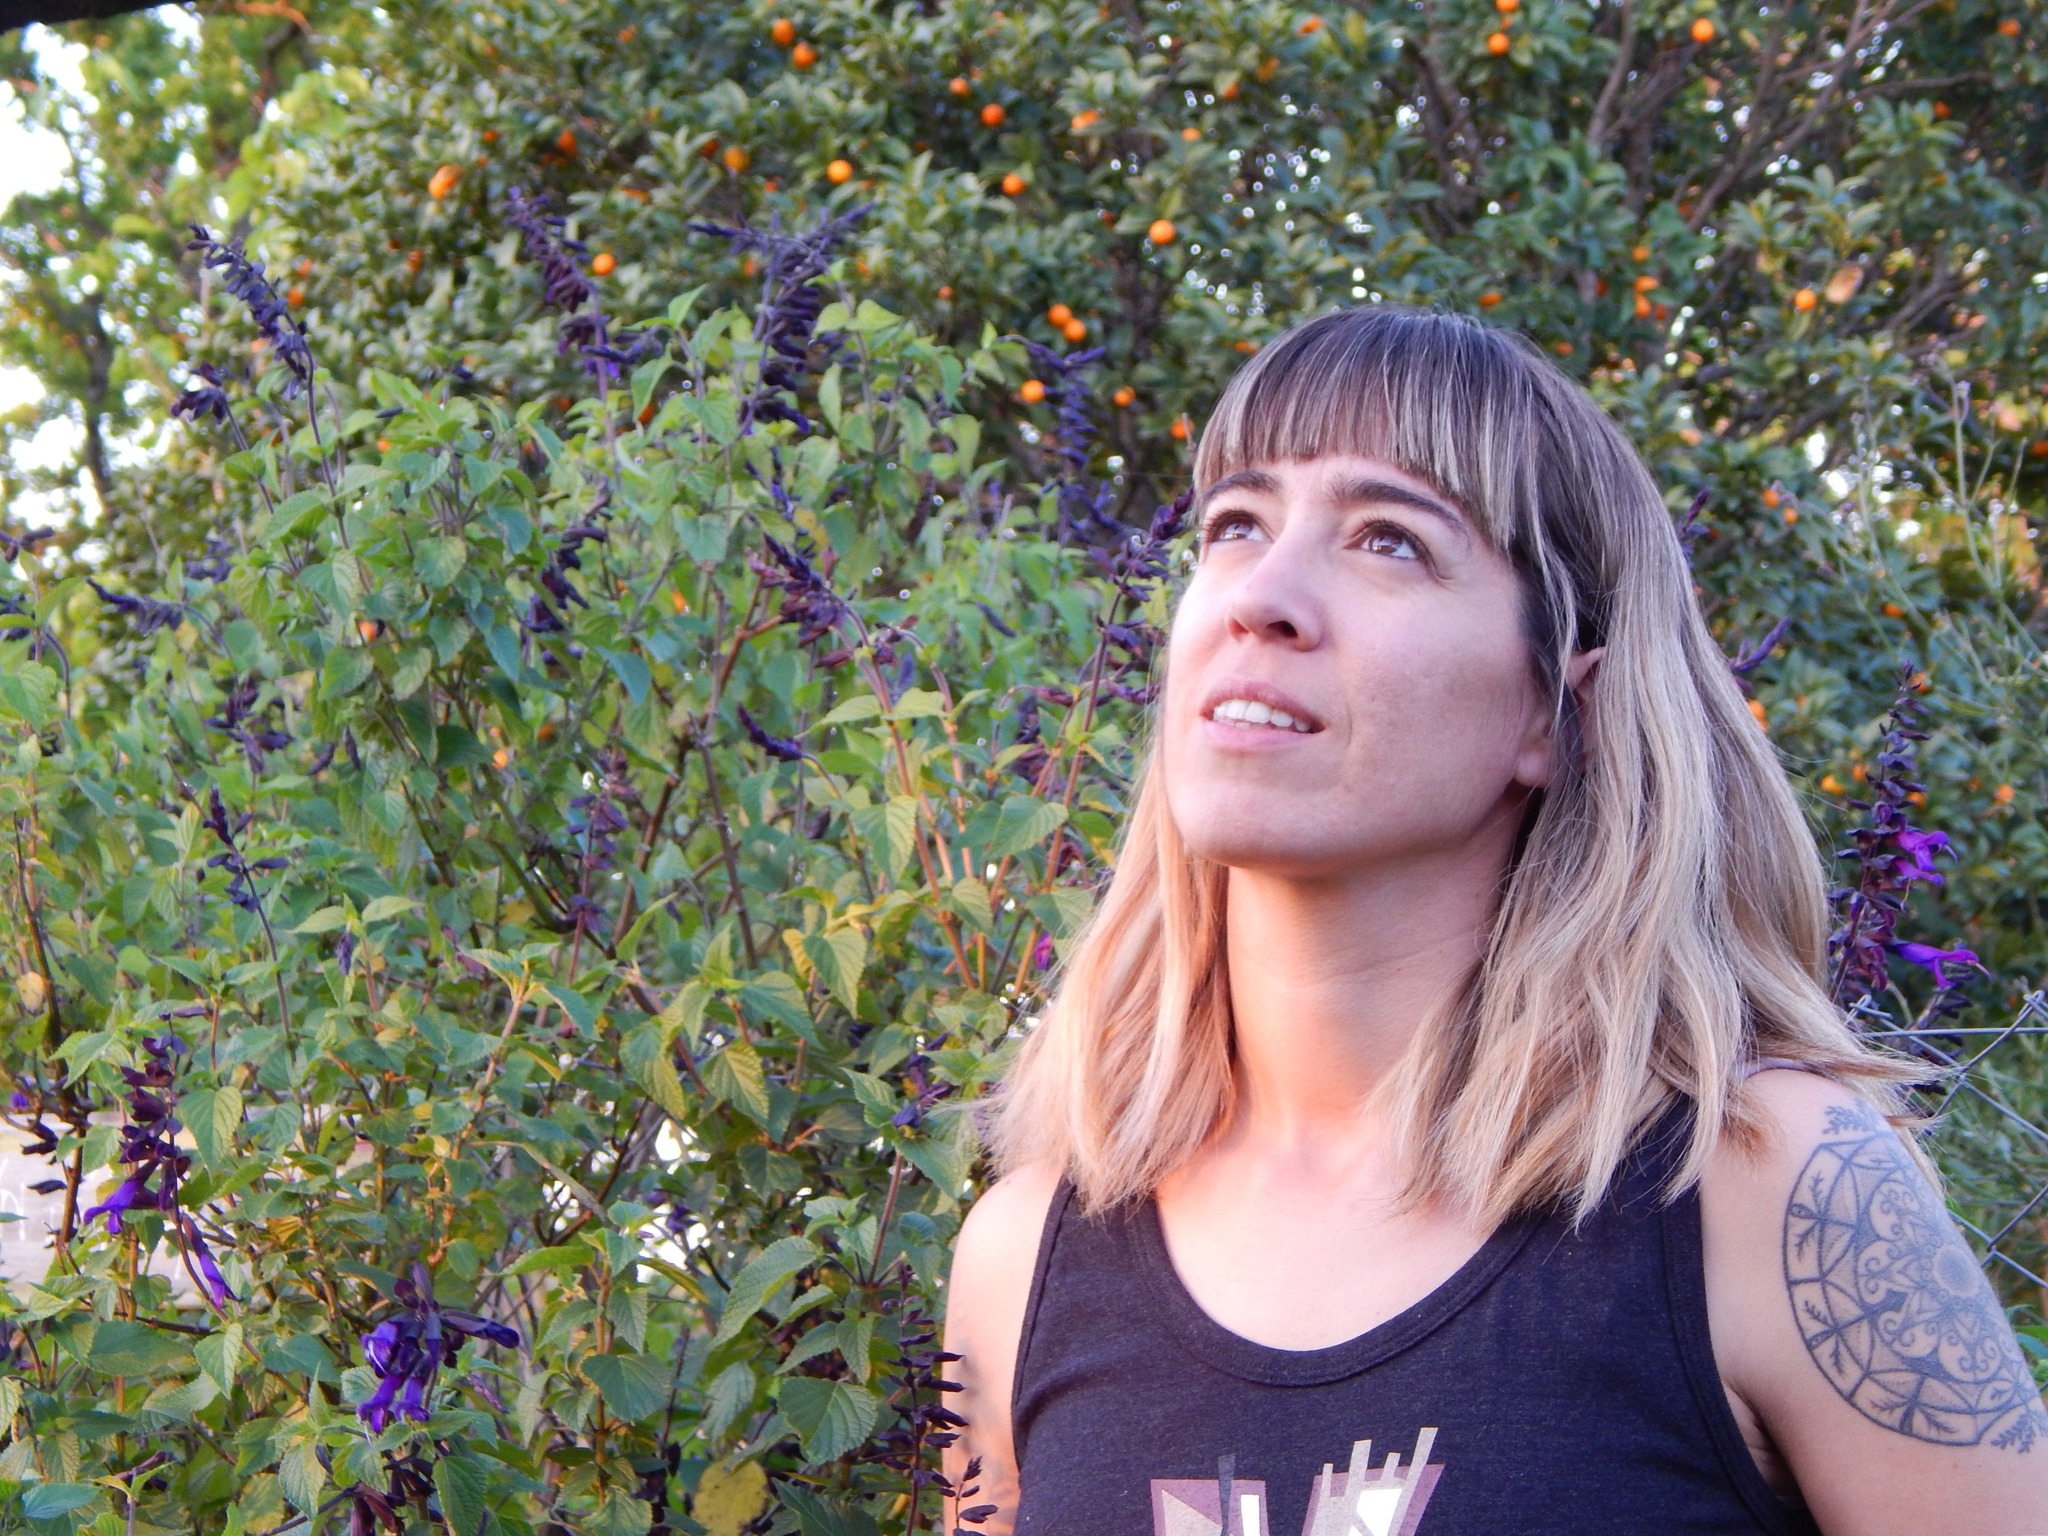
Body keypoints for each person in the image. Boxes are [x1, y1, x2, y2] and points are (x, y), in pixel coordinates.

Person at [941, 306, 2048, 1536]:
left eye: (1388, 540)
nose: (1261, 594)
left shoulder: (1762, 1186)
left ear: (1556, 712)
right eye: (1234, 524)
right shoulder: (1022, 1260)